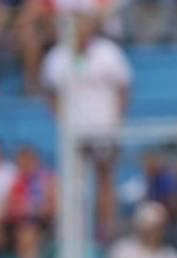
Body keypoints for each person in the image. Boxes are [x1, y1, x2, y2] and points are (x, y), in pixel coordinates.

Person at [41, 15, 131, 241]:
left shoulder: (108, 53)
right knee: (73, 181)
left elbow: (124, 87)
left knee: (105, 177)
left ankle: (106, 229)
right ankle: (75, 231)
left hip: (104, 126)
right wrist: (61, 118)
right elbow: (49, 91)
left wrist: (117, 120)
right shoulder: (57, 57)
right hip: (74, 131)